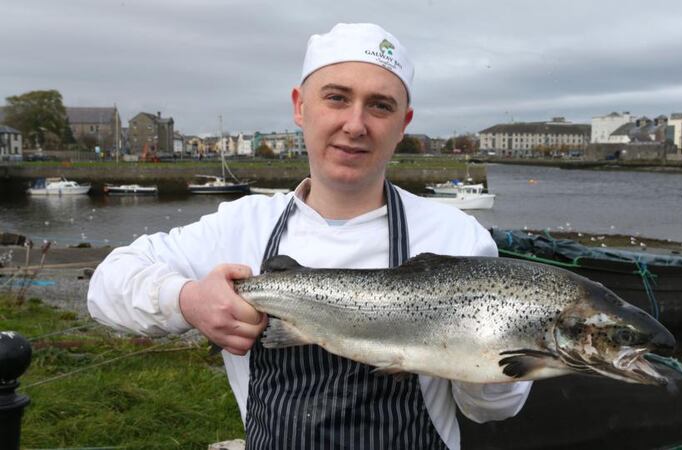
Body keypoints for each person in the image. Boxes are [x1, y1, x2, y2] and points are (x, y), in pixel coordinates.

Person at [88, 23, 531, 449]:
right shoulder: (240, 226)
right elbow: (108, 284)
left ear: (403, 124)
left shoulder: (457, 237)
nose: (355, 125)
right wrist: (187, 300)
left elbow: (489, 410)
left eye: (380, 106)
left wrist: (496, 351)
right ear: (300, 106)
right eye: (337, 98)